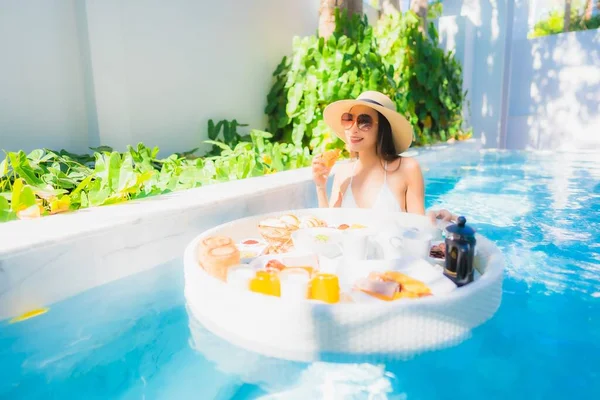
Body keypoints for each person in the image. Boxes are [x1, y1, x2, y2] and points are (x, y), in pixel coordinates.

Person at [311, 91, 457, 224]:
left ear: (382, 128)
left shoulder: (407, 168)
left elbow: (419, 230)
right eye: (349, 119)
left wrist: (435, 218)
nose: (353, 129)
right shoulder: (344, 173)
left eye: (364, 122)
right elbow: (329, 230)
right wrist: (320, 186)